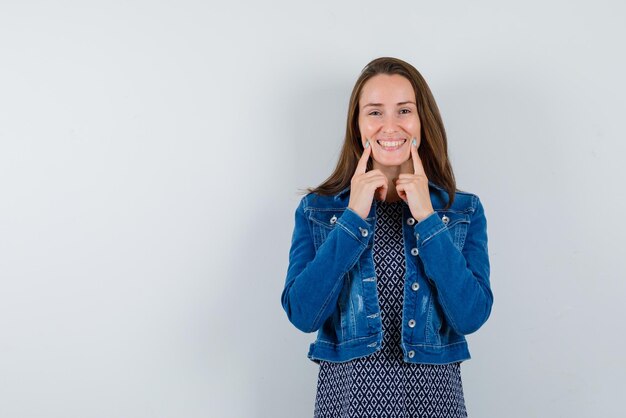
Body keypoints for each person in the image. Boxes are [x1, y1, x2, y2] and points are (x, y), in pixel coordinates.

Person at [280, 56, 494, 418]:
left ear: (422, 120)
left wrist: (428, 220)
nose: (390, 126)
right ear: (358, 124)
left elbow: (470, 316)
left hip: (435, 405)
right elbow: (303, 314)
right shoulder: (318, 211)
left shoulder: (463, 211)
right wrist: (352, 218)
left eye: (404, 110)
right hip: (347, 406)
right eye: (375, 112)